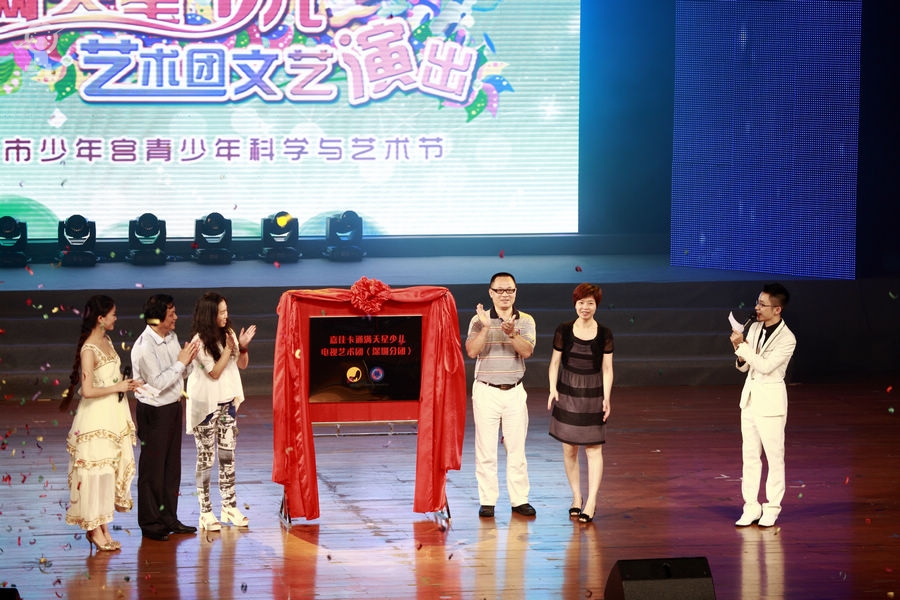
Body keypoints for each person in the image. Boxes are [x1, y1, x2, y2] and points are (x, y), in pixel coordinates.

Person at [62, 295, 142, 552]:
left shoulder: (107, 341)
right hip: (96, 417)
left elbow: (111, 378)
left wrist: (127, 384)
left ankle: (103, 525)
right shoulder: (89, 349)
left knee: (108, 471)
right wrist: (117, 387)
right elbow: (87, 390)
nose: (116, 318)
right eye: (113, 314)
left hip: (113, 413)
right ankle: (93, 528)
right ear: (100, 318)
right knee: (94, 471)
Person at [466, 272, 537, 518]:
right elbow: (472, 351)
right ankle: (487, 501)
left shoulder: (526, 320)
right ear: (491, 293)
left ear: (515, 292)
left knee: (516, 449)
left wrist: (512, 334)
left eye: (510, 290)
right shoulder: (479, 319)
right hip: (486, 390)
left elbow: (527, 352)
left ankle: (519, 500)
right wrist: (486, 327)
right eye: (500, 290)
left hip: (514, 390)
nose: (505, 295)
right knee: (485, 449)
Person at [131, 294, 200, 541]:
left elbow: (180, 373)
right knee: (152, 470)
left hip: (172, 408)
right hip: (154, 411)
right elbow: (158, 383)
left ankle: (169, 518)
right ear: (158, 318)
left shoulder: (170, 337)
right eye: (171, 314)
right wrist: (181, 363)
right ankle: (151, 523)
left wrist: (189, 360)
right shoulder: (144, 347)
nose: (176, 318)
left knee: (171, 468)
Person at [186, 292, 257, 531]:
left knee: (228, 457)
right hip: (206, 406)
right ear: (210, 315)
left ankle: (229, 506)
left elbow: (241, 364)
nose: (226, 316)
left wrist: (242, 347)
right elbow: (214, 372)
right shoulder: (198, 341)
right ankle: (205, 511)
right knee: (206, 458)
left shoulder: (229, 334)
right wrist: (228, 349)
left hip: (228, 403)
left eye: (226, 311)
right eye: (221, 312)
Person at [729, 282, 796, 528]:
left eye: (762, 304)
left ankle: (772, 507)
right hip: (749, 401)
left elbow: (766, 367)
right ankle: (750, 506)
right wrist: (739, 350)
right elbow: (745, 366)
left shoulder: (787, 339)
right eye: (757, 302)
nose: (757, 308)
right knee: (750, 457)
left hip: (771, 404)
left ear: (777, 309)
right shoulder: (755, 328)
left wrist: (742, 346)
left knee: (774, 457)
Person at [547, 283, 613, 524]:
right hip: (567, 391)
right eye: (581, 302)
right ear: (575, 304)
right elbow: (554, 363)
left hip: (593, 393)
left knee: (594, 449)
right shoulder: (564, 329)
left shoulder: (604, 333)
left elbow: (607, 368)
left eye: (590, 303)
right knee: (569, 448)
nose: (585, 307)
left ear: (596, 305)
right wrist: (552, 389)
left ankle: (592, 501)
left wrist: (607, 398)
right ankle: (577, 496)